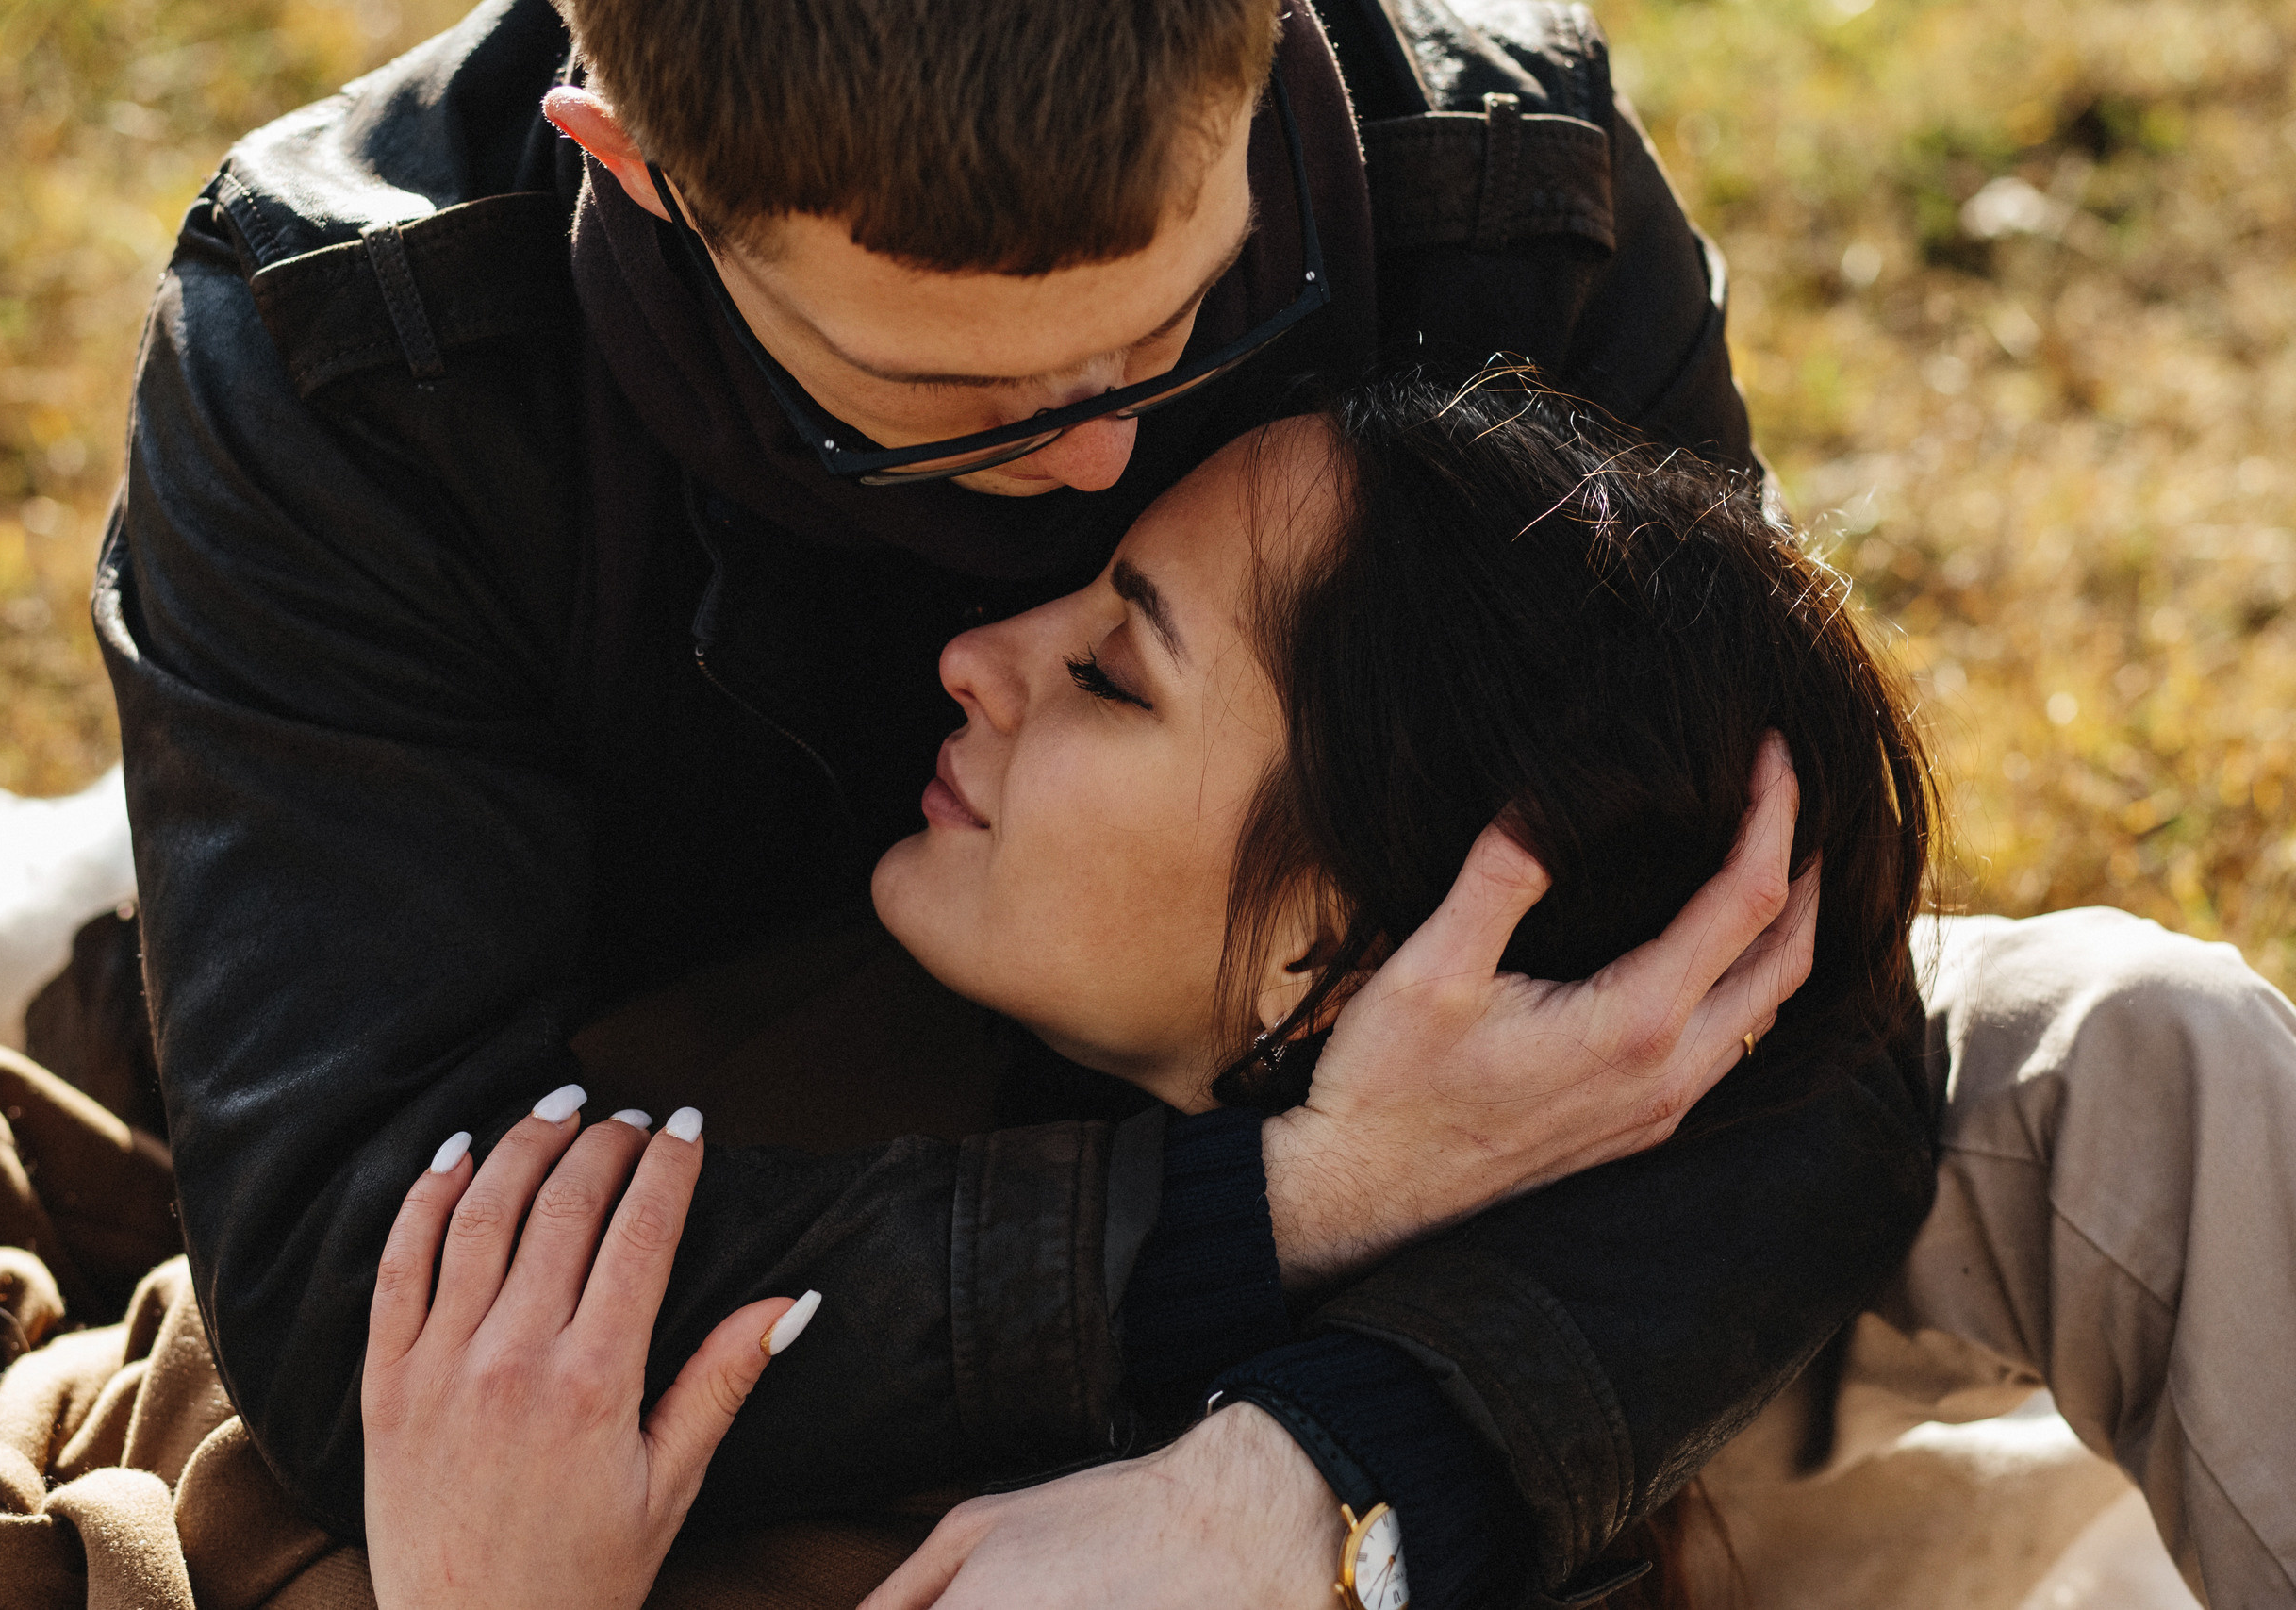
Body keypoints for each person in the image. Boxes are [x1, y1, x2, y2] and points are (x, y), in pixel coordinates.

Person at [92, 0, 1896, 1601]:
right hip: (653, 1031)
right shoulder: (349, 360)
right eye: (944, 400)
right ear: (637, 170)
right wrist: (1292, 1196)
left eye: (1187, 320)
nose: (1102, 457)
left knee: (2092, 1047)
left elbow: (1804, 1017)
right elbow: (370, 1294)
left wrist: (1336, 1479)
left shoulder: (1500, 185)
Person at [356, 374, 1939, 1609]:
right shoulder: (788, 1056)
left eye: (1115, 675)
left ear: (1361, 962)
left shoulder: (1093, 1540)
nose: (977, 652)